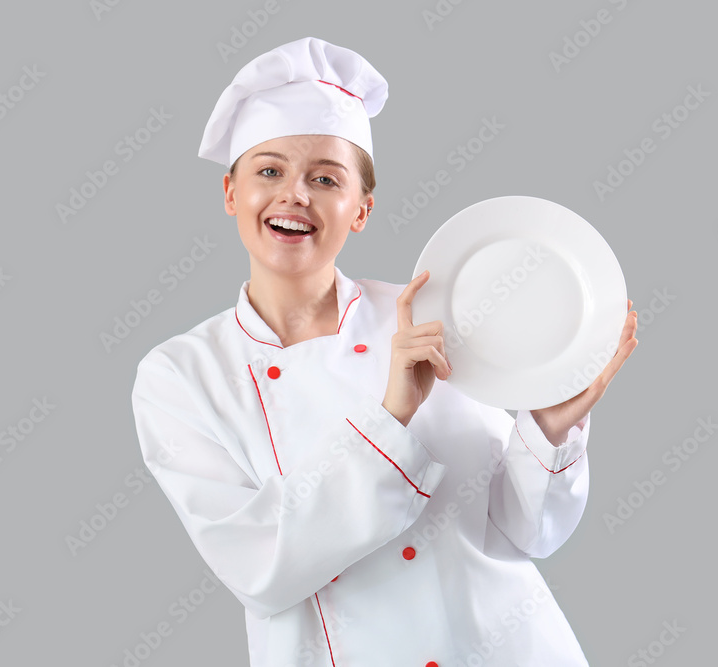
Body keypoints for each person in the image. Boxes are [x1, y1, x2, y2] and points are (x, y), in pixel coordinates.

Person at [131, 36, 638, 667]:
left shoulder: (433, 318)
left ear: (361, 209)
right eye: (269, 170)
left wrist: (549, 430)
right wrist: (391, 416)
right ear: (231, 194)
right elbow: (260, 569)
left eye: (326, 178)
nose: (295, 194)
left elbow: (526, 534)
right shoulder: (179, 376)